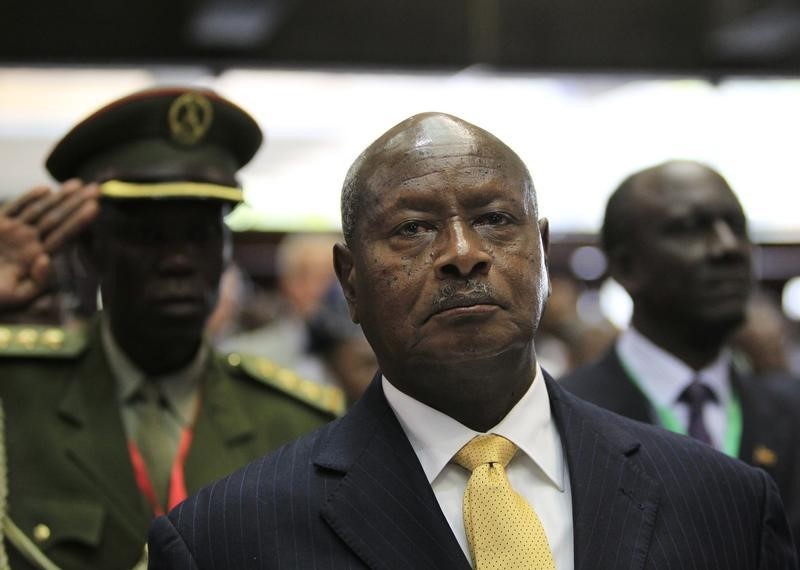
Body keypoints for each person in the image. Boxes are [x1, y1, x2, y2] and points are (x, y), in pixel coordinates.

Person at [147, 115, 797, 569]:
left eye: (493, 220)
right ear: (350, 280)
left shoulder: (724, 502)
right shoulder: (227, 539)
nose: (463, 254)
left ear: (541, 256)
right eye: (413, 228)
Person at [0, 87, 343, 570]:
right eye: (149, 234)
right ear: (91, 250)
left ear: (226, 251)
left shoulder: (294, 426)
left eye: (200, 234)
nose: (179, 260)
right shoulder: (13, 393)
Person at [560, 160, 800, 552]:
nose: (727, 248)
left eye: (736, 227)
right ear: (625, 266)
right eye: (690, 228)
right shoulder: (567, 417)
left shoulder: (792, 411)